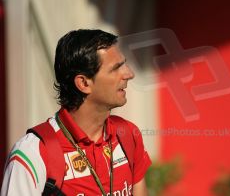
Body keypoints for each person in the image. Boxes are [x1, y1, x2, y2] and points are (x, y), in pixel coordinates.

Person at [1, 29, 152, 195]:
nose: (129, 74)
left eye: (124, 64)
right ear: (84, 83)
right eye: (116, 68)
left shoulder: (128, 134)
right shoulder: (32, 152)